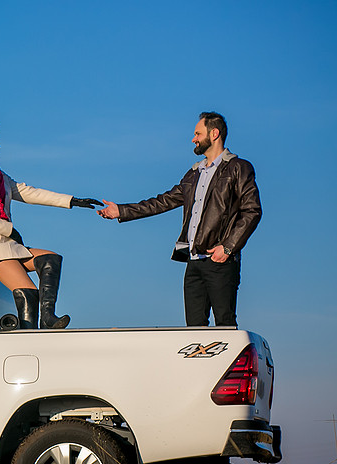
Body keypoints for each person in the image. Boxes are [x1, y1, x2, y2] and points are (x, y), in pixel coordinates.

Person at [97, 111, 261, 327]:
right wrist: (122, 211)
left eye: (197, 133)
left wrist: (228, 247)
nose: (193, 139)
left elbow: (252, 211)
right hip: (193, 263)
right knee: (193, 330)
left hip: (220, 261)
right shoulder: (194, 174)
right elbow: (163, 201)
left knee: (225, 327)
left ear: (214, 134)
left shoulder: (238, 168)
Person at [0, 121, 101, 329]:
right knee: (28, 293)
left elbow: (29, 192)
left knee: (50, 259)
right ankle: (26, 338)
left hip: (6, 246)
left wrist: (71, 200)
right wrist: (9, 229)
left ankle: (47, 318)